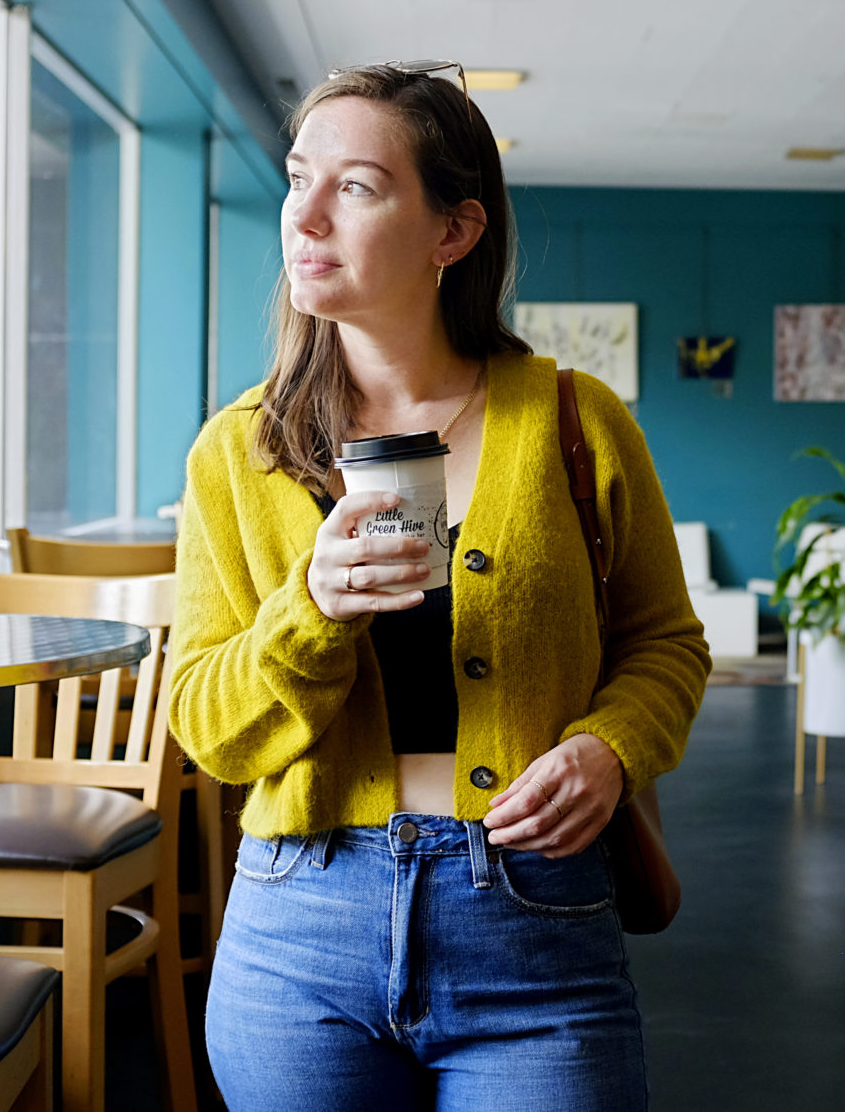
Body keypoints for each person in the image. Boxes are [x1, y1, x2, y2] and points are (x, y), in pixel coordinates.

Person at [168, 62, 711, 1112]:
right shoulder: (237, 452)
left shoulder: (574, 419)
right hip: (300, 928)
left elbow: (667, 645)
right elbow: (207, 724)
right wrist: (310, 613)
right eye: (297, 178)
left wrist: (610, 749)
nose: (306, 214)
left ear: (451, 232)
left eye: (357, 187)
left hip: (534, 924)